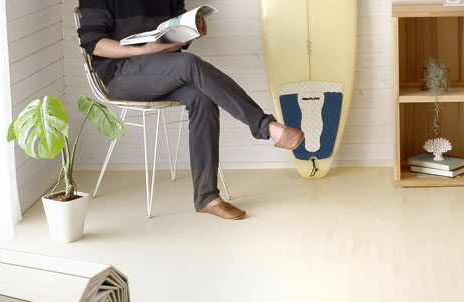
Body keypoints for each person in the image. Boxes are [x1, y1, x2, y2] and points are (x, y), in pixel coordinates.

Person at [77, 0, 303, 220]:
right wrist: (145, 50)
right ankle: (267, 127)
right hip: (122, 73)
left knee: (202, 97)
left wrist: (190, 32)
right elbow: (94, 43)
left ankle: (207, 198)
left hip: (164, 68)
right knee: (190, 63)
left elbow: (172, 28)